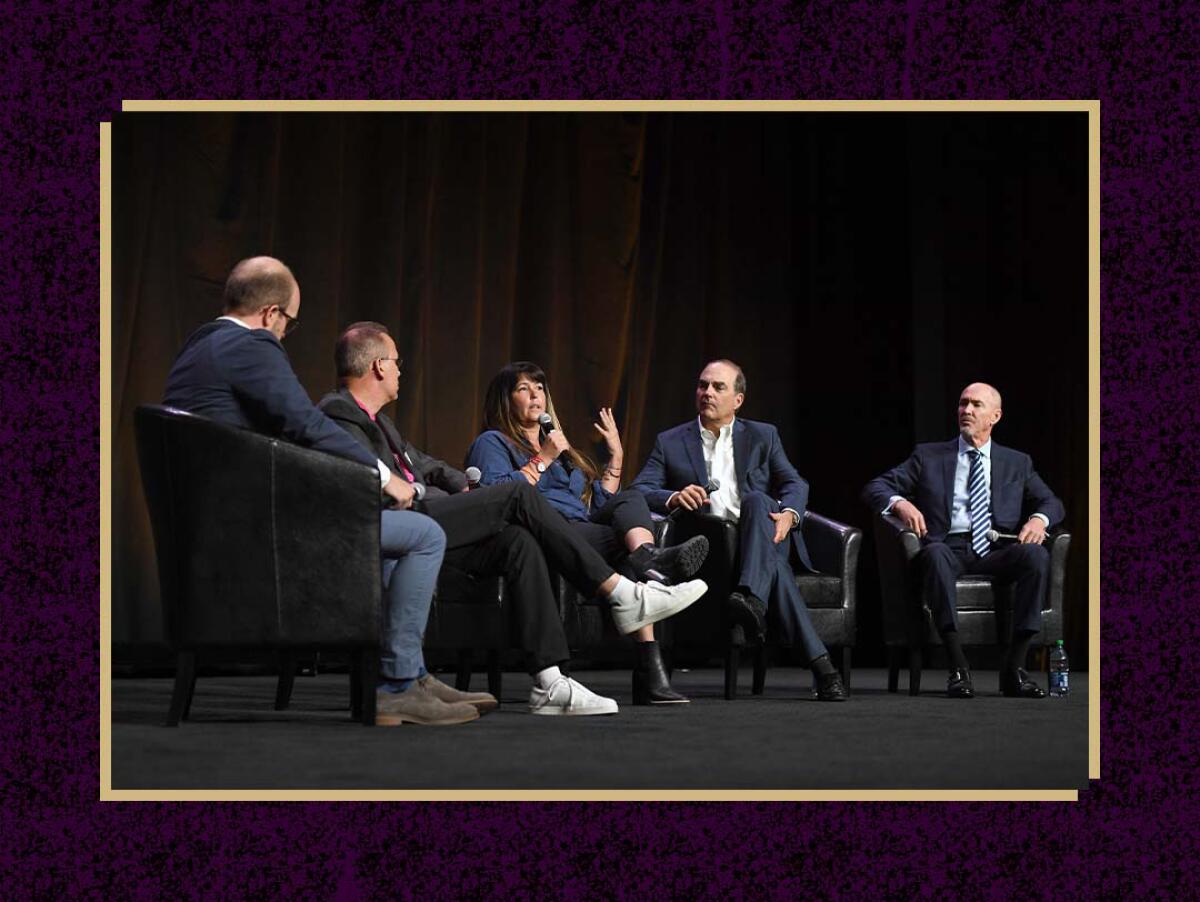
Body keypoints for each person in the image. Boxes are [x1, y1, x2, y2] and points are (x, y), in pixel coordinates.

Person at [318, 324, 709, 716]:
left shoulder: (383, 423)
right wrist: (430, 491)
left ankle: (550, 681)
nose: (402, 371)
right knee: (518, 494)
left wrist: (464, 488)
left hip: (437, 519)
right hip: (403, 521)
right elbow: (369, 482)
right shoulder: (340, 414)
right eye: (397, 363)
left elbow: (428, 465)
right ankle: (624, 594)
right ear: (379, 367)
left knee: (519, 544)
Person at [162, 256, 482, 726]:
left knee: (394, 541)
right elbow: (306, 426)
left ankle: (408, 675)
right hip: (258, 535)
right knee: (423, 534)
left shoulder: (198, 348)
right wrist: (384, 478)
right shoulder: (250, 346)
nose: (286, 333)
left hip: (212, 533)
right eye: (290, 322)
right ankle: (395, 686)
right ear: (272, 314)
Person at [466, 362, 710, 705]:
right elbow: (494, 497)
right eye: (523, 389)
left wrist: (616, 457)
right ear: (505, 401)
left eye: (539, 387)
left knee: (631, 498)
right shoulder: (493, 442)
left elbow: (597, 508)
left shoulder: (563, 450)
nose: (536, 394)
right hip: (544, 532)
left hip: (581, 529)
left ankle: (648, 558)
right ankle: (650, 673)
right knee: (625, 553)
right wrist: (543, 458)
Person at [630, 359, 848, 702]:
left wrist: (790, 514)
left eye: (718, 387)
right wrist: (673, 496)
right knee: (776, 566)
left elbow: (794, 482)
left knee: (760, 501)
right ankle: (817, 663)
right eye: (702, 385)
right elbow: (639, 489)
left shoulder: (764, 435)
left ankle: (752, 600)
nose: (707, 393)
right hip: (712, 548)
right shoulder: (670, 441)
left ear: (738, 400)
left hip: (763, 535)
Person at [862, 382, 1065, 699]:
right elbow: (876, 487)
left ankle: (1014, 668)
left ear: (994, 416)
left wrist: (1039, 519)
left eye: (976, 405)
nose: (966, 410)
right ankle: (958, 667)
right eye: (962, 403)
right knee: (936, 554)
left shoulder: (1017, 462)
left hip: (997, 549)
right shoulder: (929, 456)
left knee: (1036, 557)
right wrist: (901, 503)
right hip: (949, 547)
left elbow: (1052, 503)